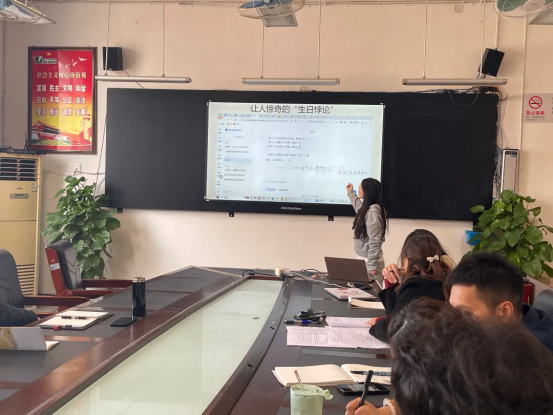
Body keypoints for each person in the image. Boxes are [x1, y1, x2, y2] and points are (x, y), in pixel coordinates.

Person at [346, 299, 553, 415]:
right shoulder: (507, 352)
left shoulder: (496, 366)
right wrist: (389, 411)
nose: (453, 320)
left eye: (464, 312)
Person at [445, 251, 553, 353]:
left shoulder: (534, 354)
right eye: (453, 310)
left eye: (465, 312)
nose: (454, 320)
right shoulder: (504, 327)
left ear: (504, 311)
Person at [367, 229, 454, 342]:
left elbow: (393, 328)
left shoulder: (416, 286)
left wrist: (377, 324)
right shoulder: (449, 280)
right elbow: (396, 315)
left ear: (407, 261)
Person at [346, 178, 387, 282]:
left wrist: (372, 265)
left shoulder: (372, 213)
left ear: (366, 191)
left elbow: (375, 241)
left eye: (360, 187)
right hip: (366, 260)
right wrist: (351, 193)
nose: (358, 189)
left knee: (373, 290)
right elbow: (359, 207)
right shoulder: (368, 210)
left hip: (371, 263)